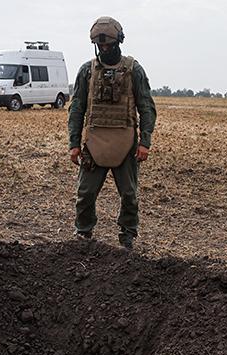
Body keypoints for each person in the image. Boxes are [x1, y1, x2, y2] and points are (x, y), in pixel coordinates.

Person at [68, 16, 156, 250]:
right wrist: (73, 143)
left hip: (126, 143)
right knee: (85, 194)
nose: (105, 49)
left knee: (129, 195)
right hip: (94, 142)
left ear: (119, 42)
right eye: (101, 46)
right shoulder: (87, 71)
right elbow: (77, 108)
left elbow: (147, 108)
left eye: (109, 45)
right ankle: (83, 233)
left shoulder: (133, 70)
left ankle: (127, 236)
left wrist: (144, 143)